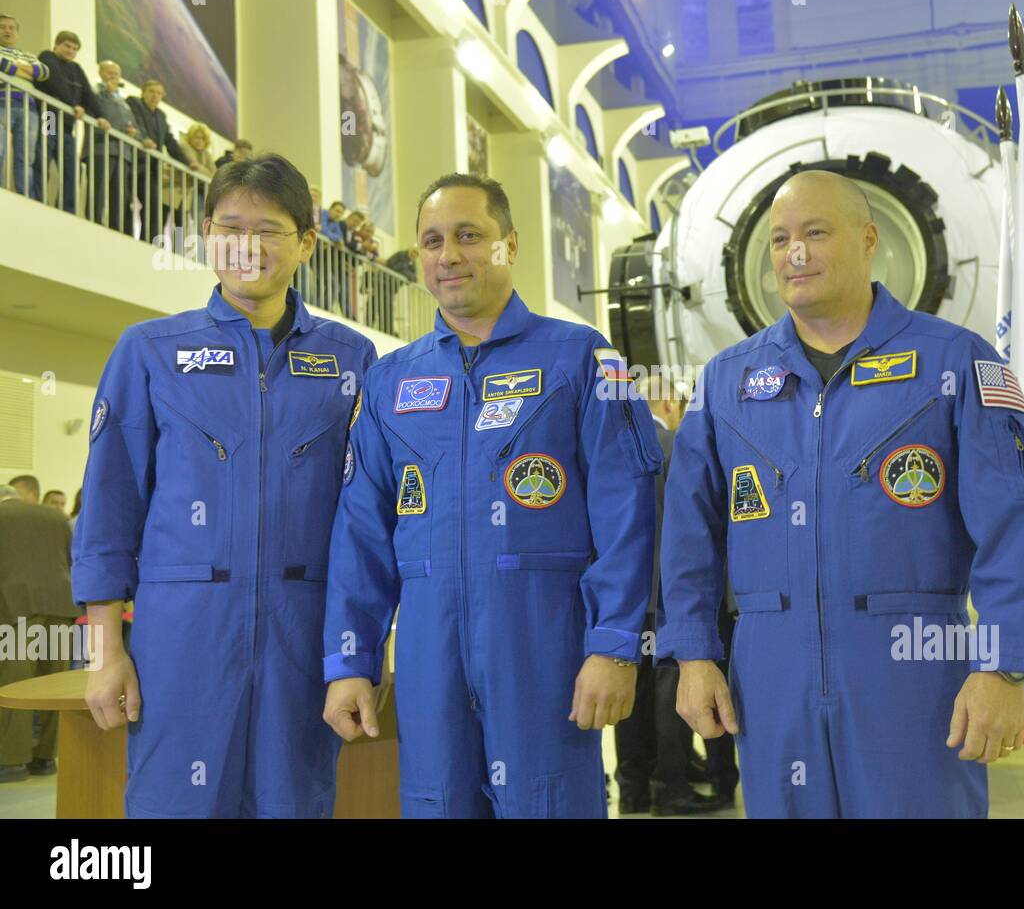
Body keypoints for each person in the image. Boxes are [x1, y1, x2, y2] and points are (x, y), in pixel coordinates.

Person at [658, 170, 1024, 818]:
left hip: (914, 676)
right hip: (771, 679)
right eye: (780, 238)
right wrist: (695, 653)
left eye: (816, 233)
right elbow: (687, 531)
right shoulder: (726, 384)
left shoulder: (956, 363)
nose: (796, 253)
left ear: (869, 238)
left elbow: (1020, 521)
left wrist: (1004, 666)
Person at [322, 172, 662, 818]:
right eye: (431, 241)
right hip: (429, 657)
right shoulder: (392, 381)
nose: (448, 255)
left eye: (468, 236)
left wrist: (616, 643)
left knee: (549, 803)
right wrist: (349, 658)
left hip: (544, 652)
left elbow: (627, 514)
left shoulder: (582, 359)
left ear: (509, 244)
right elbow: (361, 532)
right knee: (435, 804)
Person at [73, 153, 377, 818]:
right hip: (179, 640)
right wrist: (104, 652)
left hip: (305, 637)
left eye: (269, 229)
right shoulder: (149, 350)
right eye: (230, 225)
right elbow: (107, 513)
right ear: (207, 233)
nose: (248, 245)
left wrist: (356, 649)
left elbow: (365, 520)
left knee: (295, 802)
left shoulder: (352, 359)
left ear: (306, 242)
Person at [613, 375, 724, 816]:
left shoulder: (616, 450)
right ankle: (671, 786)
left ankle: (633, 789)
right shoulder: (676, 448)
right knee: (668, 691)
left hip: (626, 602)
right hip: (666, 596)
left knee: (632, 698)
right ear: (669, 403)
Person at [0, 481, 77, 782]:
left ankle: (12, 761)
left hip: (16, 609)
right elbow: (70, 561)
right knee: (53, 687)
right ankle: (46, 758)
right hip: (61, 606)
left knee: (15, 686)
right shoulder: (55, 517)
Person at [36, 30, 109, 214]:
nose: (70, 51)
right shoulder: (47, 56)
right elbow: (56, 81)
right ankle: (37, 199)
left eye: (74, 48)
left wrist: (101, 116)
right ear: (57, 45)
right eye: (67, 46)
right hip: (49, 117)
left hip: (67, 126)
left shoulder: (76, 69)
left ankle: (66, 209)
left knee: (74, 169)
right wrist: (73, 104)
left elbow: (88, 95)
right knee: (43, 157)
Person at [127, 80, 187, 244]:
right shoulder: (134, 103)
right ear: (144, 91)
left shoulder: (161, 115)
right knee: (126, 199)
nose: (155, 96)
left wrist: (187, 163)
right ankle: (128, 237)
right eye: (152, 91)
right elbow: (135, 122)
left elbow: (169, 140)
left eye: (159, 93)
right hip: (133, 162)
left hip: (152, 168)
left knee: (154, 205)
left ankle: (148, 242)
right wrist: (143, 138)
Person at [0, 13, 51, 201]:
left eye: (12, 28)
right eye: (3, 27)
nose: (8, 31)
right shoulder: (26, 59)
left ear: (17, 33)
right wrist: (24, 70)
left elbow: (44, 72)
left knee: (26, 157)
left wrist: (16, 67)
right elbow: (6, 67)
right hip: (2, 102)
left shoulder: (27, 54)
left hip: (29, 108)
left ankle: (25, 197)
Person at [85, 60, 139, 233]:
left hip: (122, 152)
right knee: (99, 188)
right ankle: (94, 221)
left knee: (119, 194)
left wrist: (131, 130)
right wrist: (106, 91)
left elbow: (130, 123)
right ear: (101, 73)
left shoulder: (123, 102)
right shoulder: (94, 91)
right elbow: (93, 108)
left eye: (116, 74)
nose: (114, 76)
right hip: (101, 148)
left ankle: (117, 227)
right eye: (110, 73)